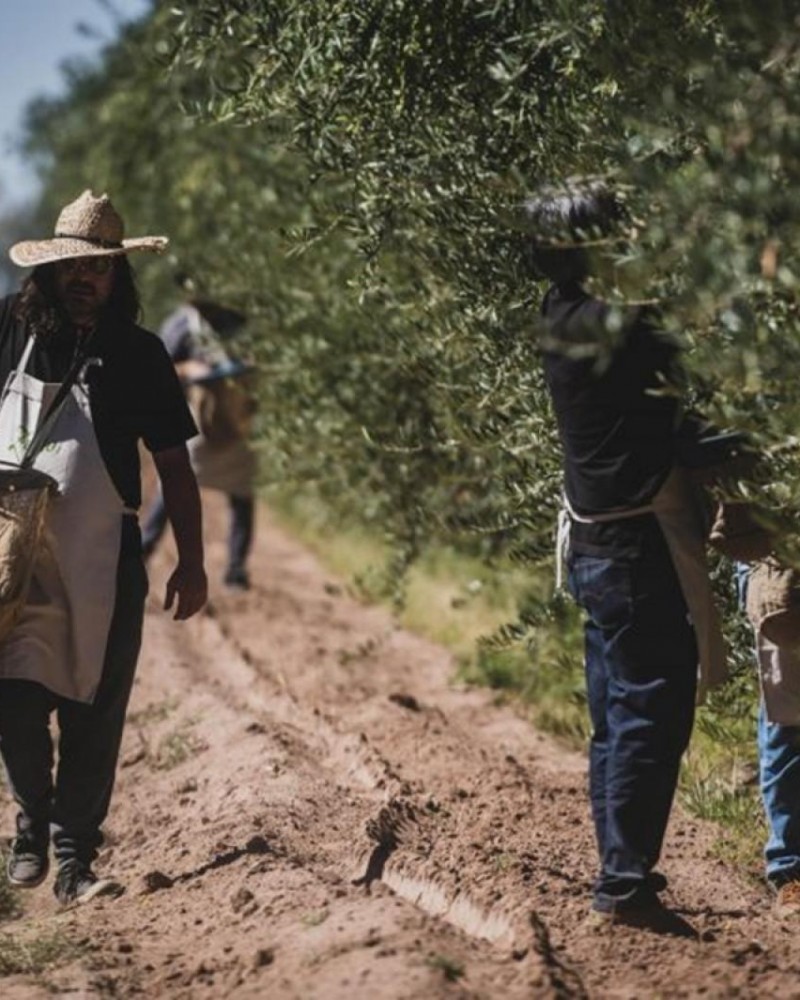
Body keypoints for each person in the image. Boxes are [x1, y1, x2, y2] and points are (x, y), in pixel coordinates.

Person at [522, 180, 726, 929]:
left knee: (617, 711)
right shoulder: (626, 329)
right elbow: (690, 434)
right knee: (650, 707)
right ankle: (624, 883)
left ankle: (621, 869)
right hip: (637, 548)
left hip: (596, 545)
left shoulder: (560, 316)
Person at [0, 189, 207, 905]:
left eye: (101, 270)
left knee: (95, 711)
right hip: (9, 560)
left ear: (118, 276)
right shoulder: (7, 326)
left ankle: (74, 857)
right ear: (53, 271)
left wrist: (194, 560)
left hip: (105, 562)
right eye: (75, 269)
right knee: (12, 702)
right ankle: (32, 820)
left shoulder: (140, 354)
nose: (86, 280)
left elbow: (176, 466)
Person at [141, 285, 257, 590]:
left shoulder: (240, 320)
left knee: (242, 494)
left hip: (236, 422)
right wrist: (190, 369)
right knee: (176, 485)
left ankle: (235, 570)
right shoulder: (183, 324)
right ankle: (143, 550)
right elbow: (158, 368)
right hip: (199, 422)